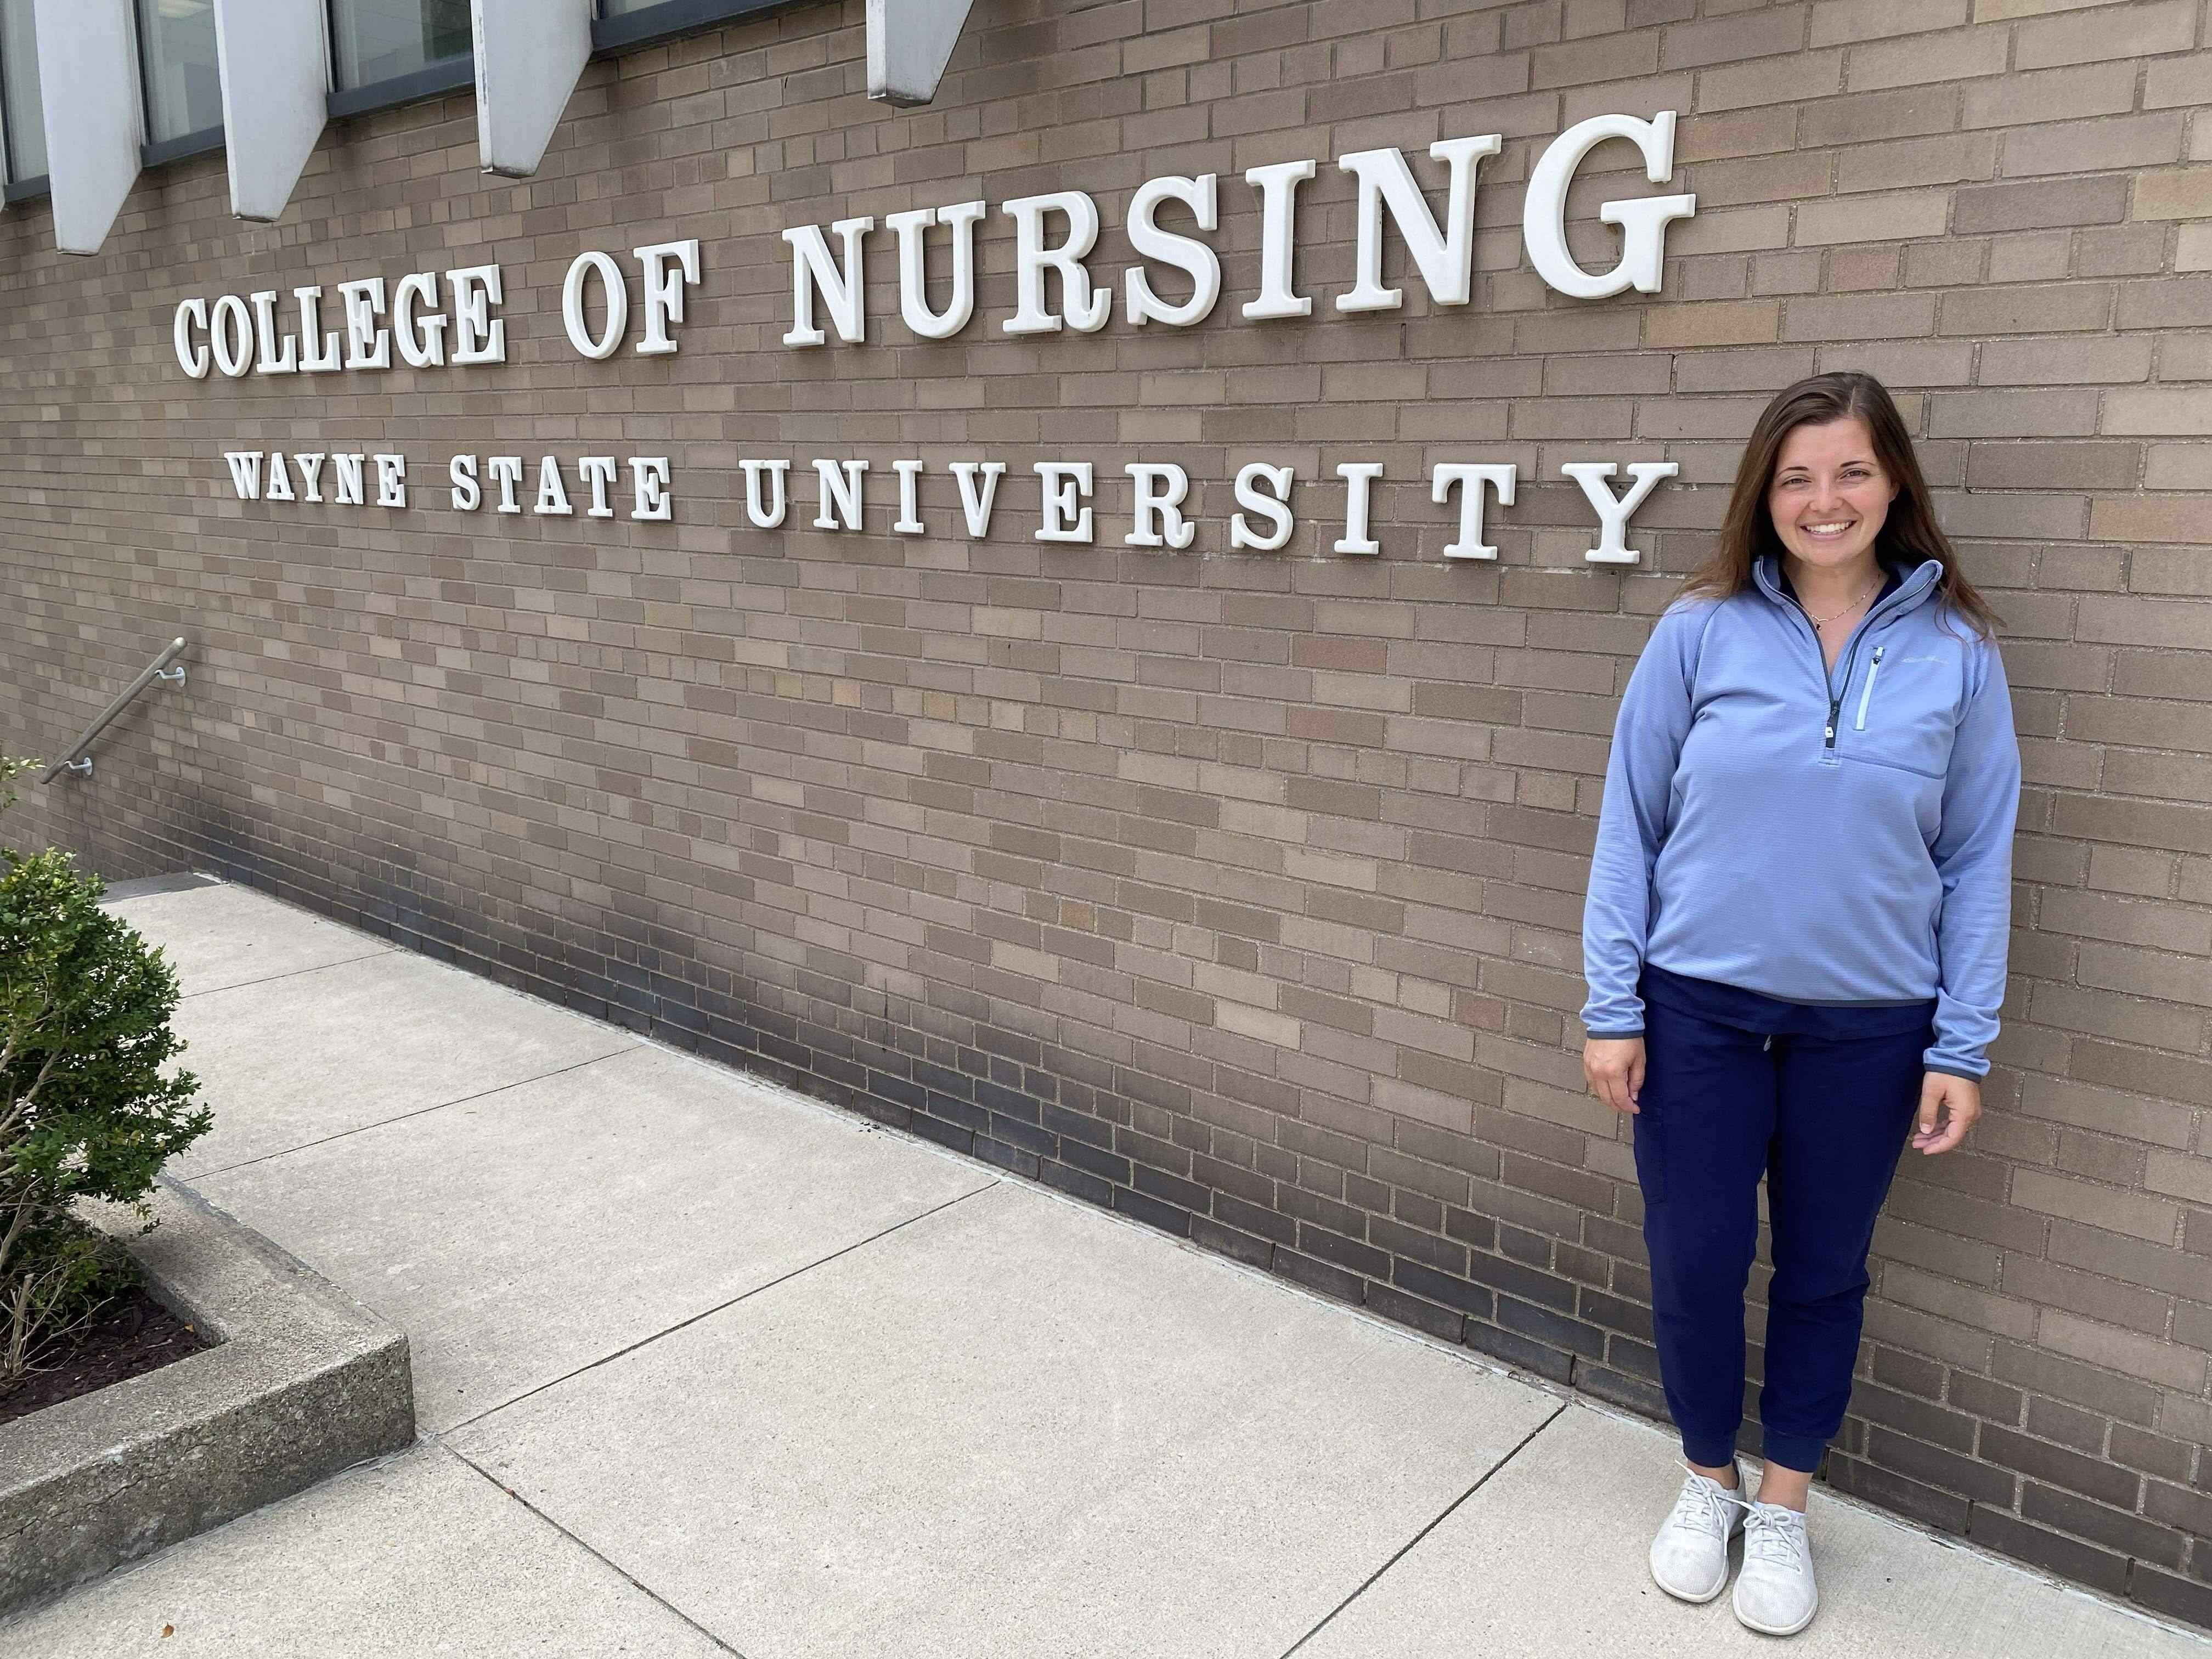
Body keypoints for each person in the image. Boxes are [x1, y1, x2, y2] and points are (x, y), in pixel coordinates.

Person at [1578, 372, 2019, 1637]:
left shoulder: (1959, 656)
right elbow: (1632, 826)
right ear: (1764, 494)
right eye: (1797, 477)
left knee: (1825, 1272)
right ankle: (1705, 1479)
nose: (1826, 501)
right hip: (1697, 1013)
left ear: (1895, 487)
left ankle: (1785, 1506)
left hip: (1870, 1025)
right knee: (1697, 1262)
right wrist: (1616, 1004)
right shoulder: (1699, 630)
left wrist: (1961, 1042)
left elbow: (1978, 855)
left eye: (1852, 473)